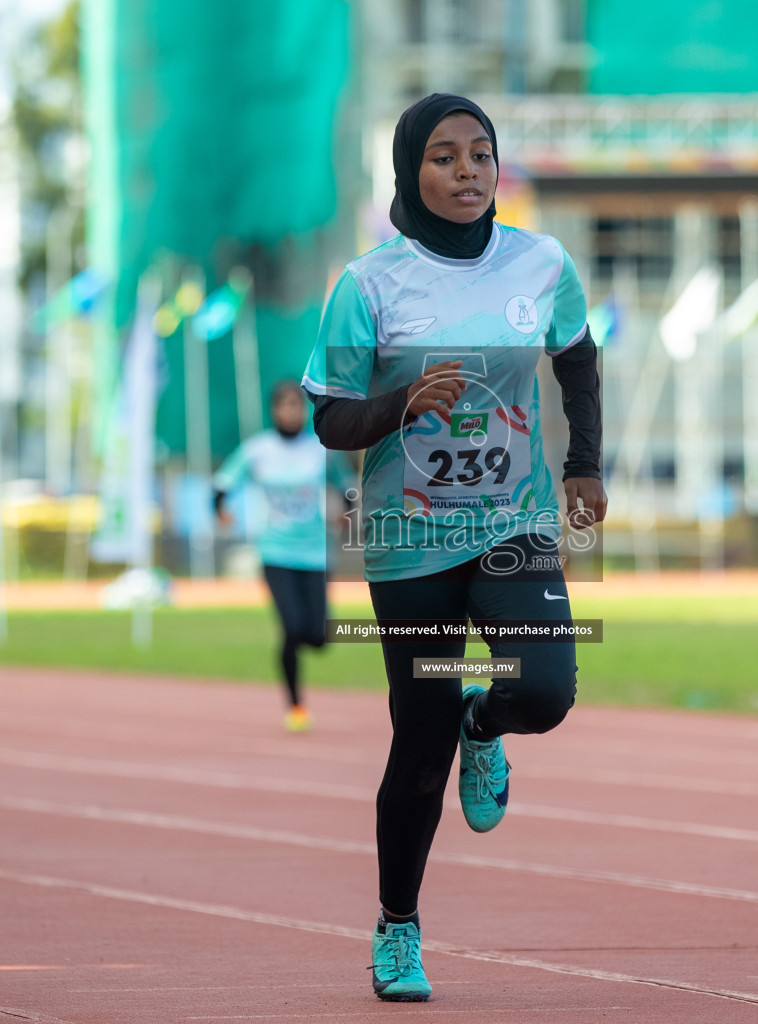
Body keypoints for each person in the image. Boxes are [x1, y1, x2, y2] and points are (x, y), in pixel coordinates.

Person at [302, 93, 606, 1002]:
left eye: (482, 154)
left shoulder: (541, 263)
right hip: (409, 543)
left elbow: (579, 362)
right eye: (445, 156)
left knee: (546, 690)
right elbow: (329, 417)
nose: (468, 171)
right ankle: (398, 926)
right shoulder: (368, 285)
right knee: (418, 739)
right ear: (411, 171)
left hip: (512, 524)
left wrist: (584, 465)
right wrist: (402, 404)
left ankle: (490, 722)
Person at [214, 380, 351, 732]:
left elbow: (344, 483)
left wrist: (345, 511)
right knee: (292, 627)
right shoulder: (258, 449)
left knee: (319, 637)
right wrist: (221, 508)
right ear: (274, 409)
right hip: (275, 551)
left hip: (315, 552)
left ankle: (300, 642)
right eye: (284, 405)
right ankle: (296, 705)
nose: (291, 411)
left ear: (305, 410)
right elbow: (222, 484)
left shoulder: (320, 448)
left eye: (297, 405)